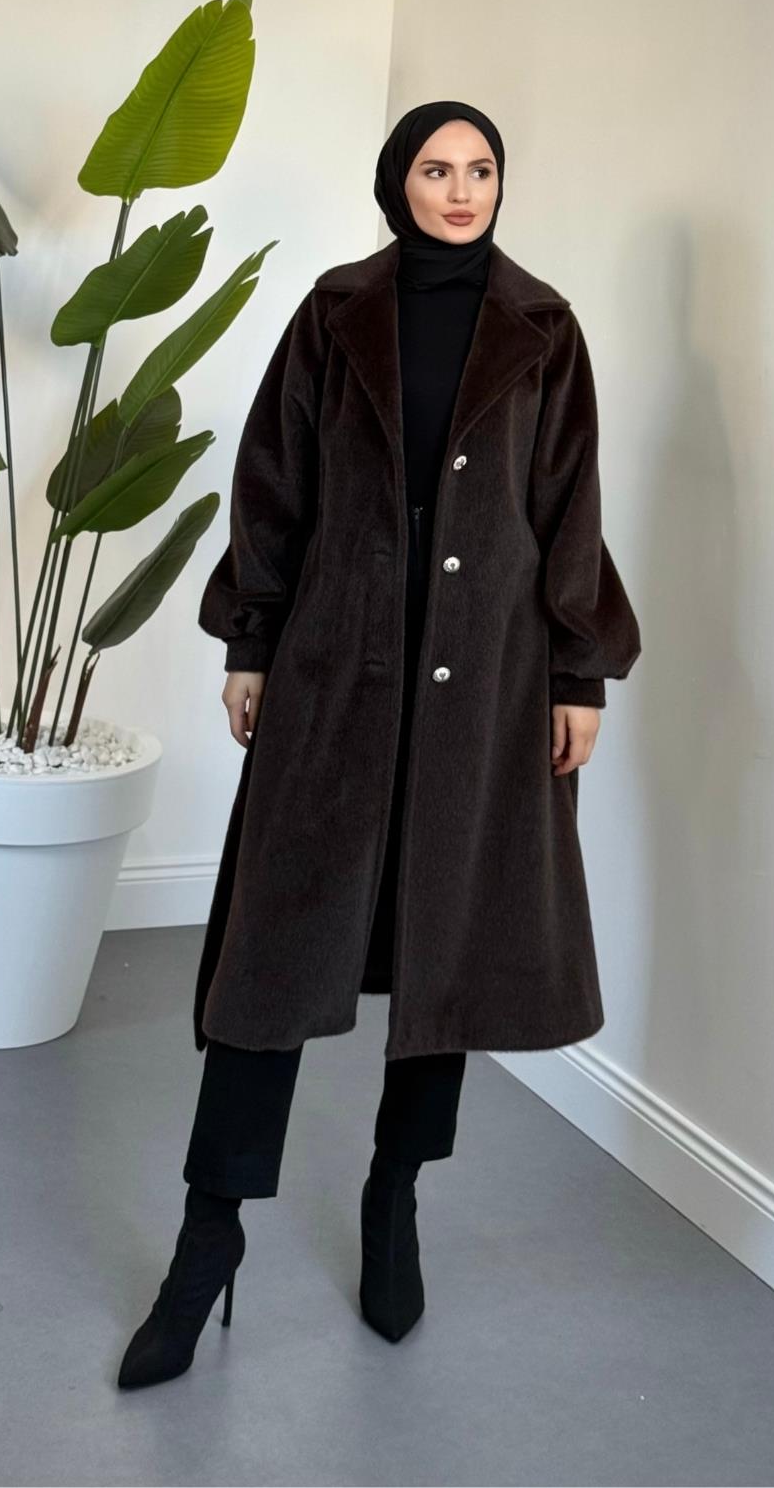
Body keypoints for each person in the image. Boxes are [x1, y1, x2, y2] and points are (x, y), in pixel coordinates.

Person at [117, 101, 640, 1391]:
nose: (462, 190)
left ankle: (393, 1199)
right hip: (334, 672)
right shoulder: (334, 310)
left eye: (482, 169)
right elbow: (273, 480)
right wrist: (249, 641)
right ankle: (208, 1237)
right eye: (437, 168)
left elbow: (568, 506)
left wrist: (579, 671)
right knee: (271, 959)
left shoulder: (546, 328)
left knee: (443, 949)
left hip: (488, 684)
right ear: (396, 181)